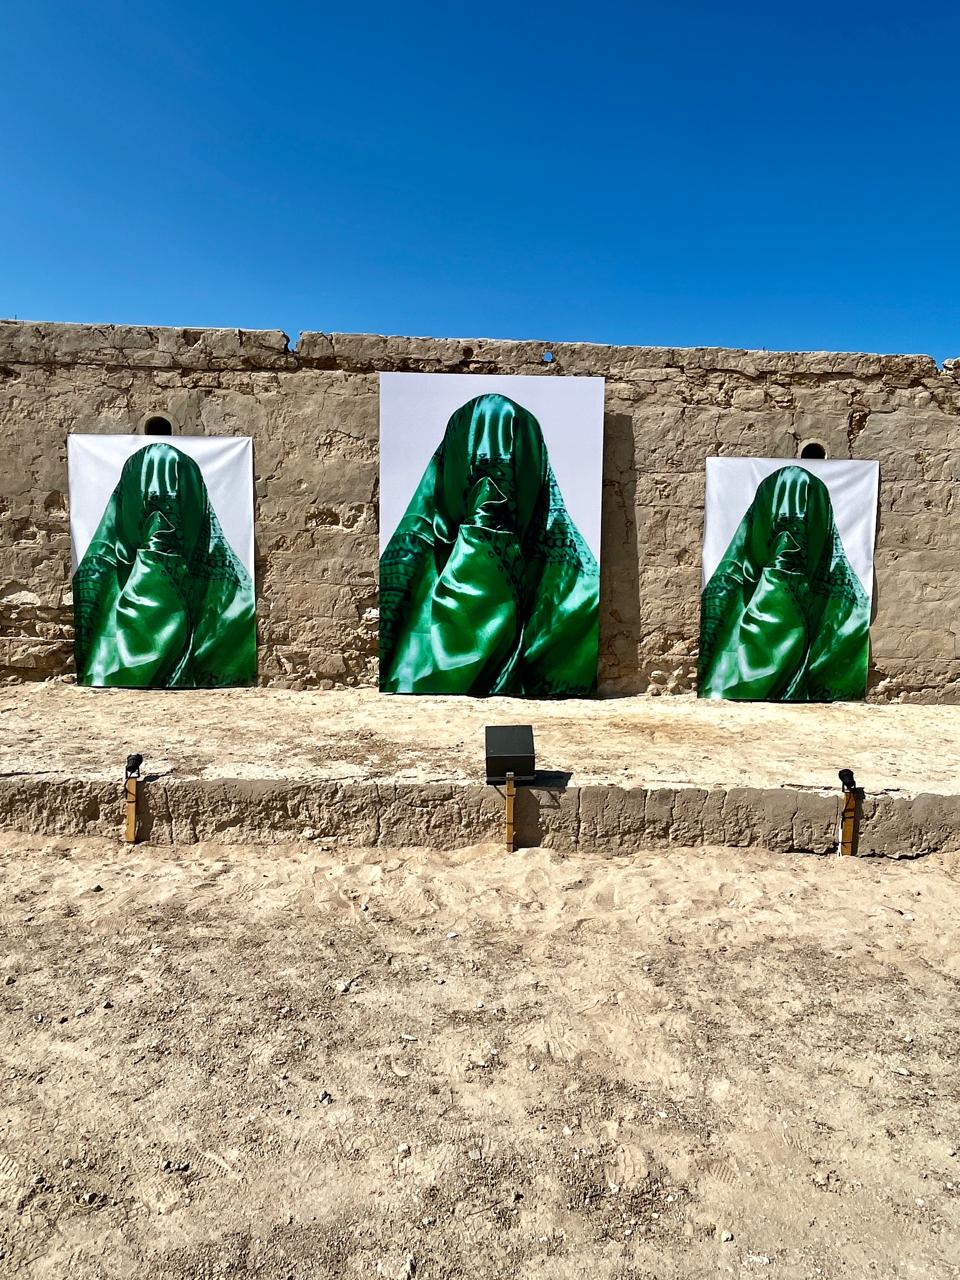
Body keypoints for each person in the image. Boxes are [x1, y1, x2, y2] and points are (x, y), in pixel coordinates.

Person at [380, 393, 599, 696]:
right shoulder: (399, 580)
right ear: (451, 472)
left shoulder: (586, 601)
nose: (489, 503)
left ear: (534, 475)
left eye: (506, 480)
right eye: (477, 477)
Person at [73, 442, 256, 688]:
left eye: (173, 508)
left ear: (195, 504)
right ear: (129, 503)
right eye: (151, 507)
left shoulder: (235, 604)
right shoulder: (92, 586)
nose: (161, 528)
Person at [698, 464, 870, 701]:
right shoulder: (720, 598)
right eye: (782, 529)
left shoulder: (849, 615)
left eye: (800, 531)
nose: (789, 548)